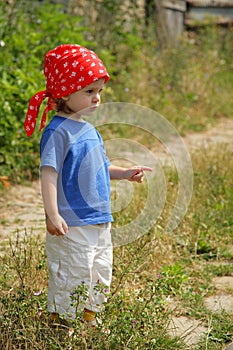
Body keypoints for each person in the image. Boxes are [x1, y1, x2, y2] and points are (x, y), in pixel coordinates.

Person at [24, 44, 152, 330]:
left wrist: (126, 173)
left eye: (99, 92)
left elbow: (99, 167)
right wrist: (52, 214)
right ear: (65, 93)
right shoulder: (57, 131)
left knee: (100, 271)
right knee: (72, 273)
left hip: (99, 219)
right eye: (89, 91)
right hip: (71, 222)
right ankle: (62, 326)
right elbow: (48, 174)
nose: (97, 98)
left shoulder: (89, 129)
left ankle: (89, 322)